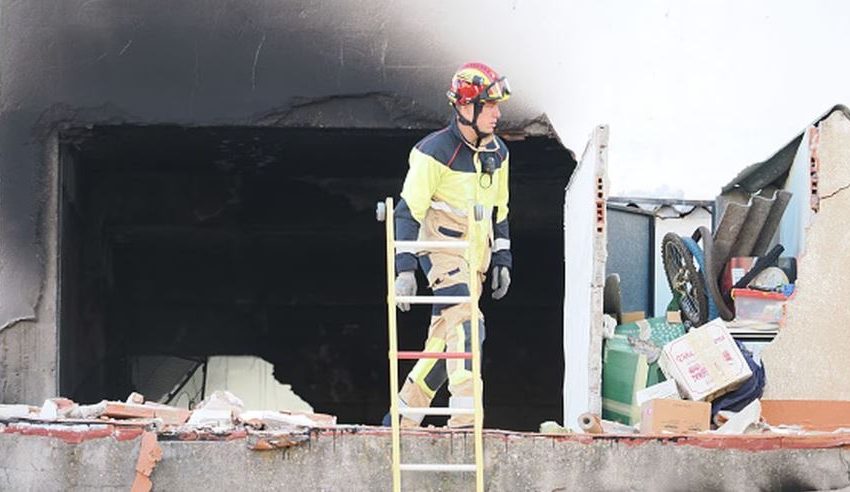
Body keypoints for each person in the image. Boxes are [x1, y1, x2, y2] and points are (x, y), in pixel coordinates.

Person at [388, 62, 513, 428]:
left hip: (476, 257)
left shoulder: (499, 154)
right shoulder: (432, 152)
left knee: (443, 343)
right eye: (490, 105)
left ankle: (402, 417)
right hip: (442, 251)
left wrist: (502, 256)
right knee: (468, 323)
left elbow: (499, 211)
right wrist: (406, 269)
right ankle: (465, 416)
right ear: (464, 107)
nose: (498, 113)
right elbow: (407, 212)